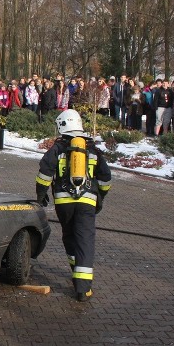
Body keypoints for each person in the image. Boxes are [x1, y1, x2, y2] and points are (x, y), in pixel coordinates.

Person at [35, 109, 112, 302]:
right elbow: (106, 178)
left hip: (63, 203)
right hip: (87, 202)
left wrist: (41, 194)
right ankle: (83, 289)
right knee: (85, 240)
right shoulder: (92, 149)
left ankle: (75, 269)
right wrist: (100, 197)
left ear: (62, 126)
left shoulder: (58, 148)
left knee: (69, 236)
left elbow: (45, 172)